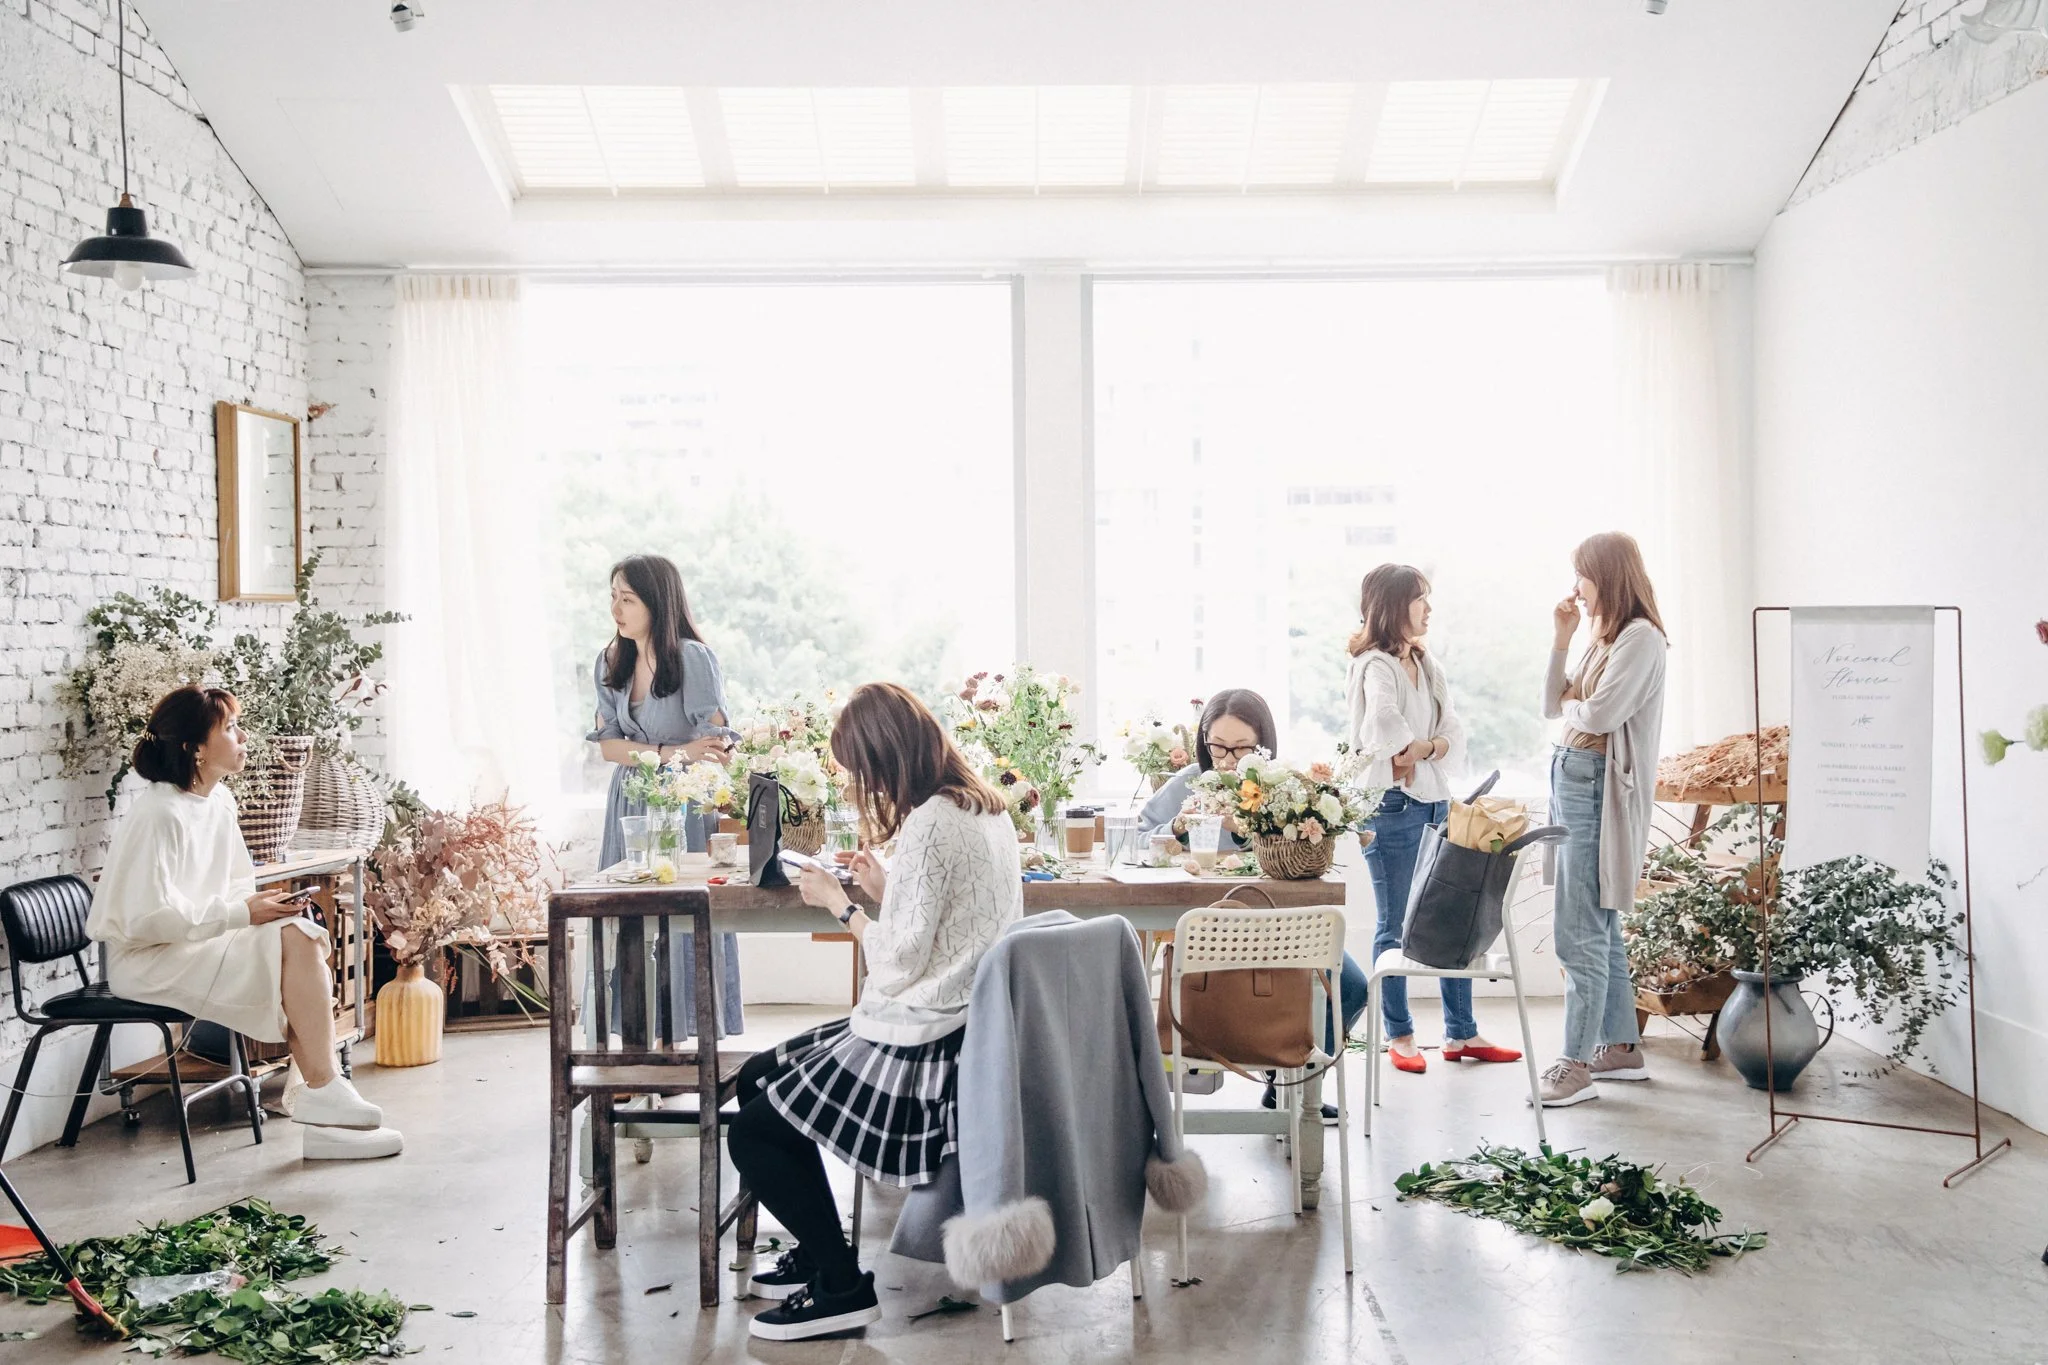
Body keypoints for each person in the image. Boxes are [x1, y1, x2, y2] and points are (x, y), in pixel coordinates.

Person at [729, 682, 1021, 1341]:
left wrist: (841, 903)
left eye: (862, 770)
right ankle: (820, 1243)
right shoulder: (984, 808)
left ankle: (840, 1285)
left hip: (927, 1039)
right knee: (756, 1079)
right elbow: (943, 930)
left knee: (751, 1131)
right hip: (961, 1022)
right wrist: (888, 889)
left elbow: (897, 962)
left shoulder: (929, 824)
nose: (865, 785)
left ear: (886, 758)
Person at [88, 686, 400, 1157]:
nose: (244, 737)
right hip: (150, 961)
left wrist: (263, 906)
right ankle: (321, 1097)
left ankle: (322, 1106)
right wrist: (242, 914)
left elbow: (233, 887)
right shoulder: (158, 814)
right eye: (230, 728)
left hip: (197, 943)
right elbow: (145, 920)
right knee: (296, 948)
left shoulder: (219, 803)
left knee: (300, 934)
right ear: (195, 747)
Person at [1140, 688, 1367, 1121]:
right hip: (1203, 927)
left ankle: (1292, 1077)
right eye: (1217, 746)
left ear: (1263, 743)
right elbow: (1138, 836)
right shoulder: (1189, 781)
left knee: (1351, 984)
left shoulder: (1279, 786)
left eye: (1240, 747)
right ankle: (1277, 1080)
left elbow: (1301, 849)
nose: (1226, 759)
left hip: (1273, 920)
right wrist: (1179, 826)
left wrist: (1248, 829)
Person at [1348, 564, 1521, 1074]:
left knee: (1452, 917)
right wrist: (1423, 747)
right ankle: (1399, 1035)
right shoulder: (1373, 664)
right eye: (1422, 599)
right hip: (1391, 806)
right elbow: (1383, 725)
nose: (1429, 609)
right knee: (1395, 924)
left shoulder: (1426, 663)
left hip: (1434, 801)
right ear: (1394, 604)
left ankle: (1459, 1033)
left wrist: (1423, 748)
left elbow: (1451, 732)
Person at [1537, 532, 1669, 1106]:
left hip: (1596, 786)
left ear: (1608, 577)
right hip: (1575, 777)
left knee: (1579, 928)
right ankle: (1620, 1046)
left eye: (1583, 577)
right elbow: (1553, 703)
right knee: (1599, 920)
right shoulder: (1604, 639)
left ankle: (1576, 1063)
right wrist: (1562, 640)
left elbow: (1601, 711)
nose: (1577, 591)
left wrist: (1572, 704)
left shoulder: (1641, 639)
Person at [589, 553, 741, 1035]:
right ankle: (636, 1045)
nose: (617, 608)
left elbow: (717, 748)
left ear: (657, 602)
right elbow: (609, 748)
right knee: (628, 919)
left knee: (681, 927)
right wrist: (673, 750)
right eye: (613, 596)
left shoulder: (692, 659)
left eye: (628, 598)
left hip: (682, 804)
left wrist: (663, 755)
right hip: (629, 806)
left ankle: (684, 1045)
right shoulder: (611, 661)